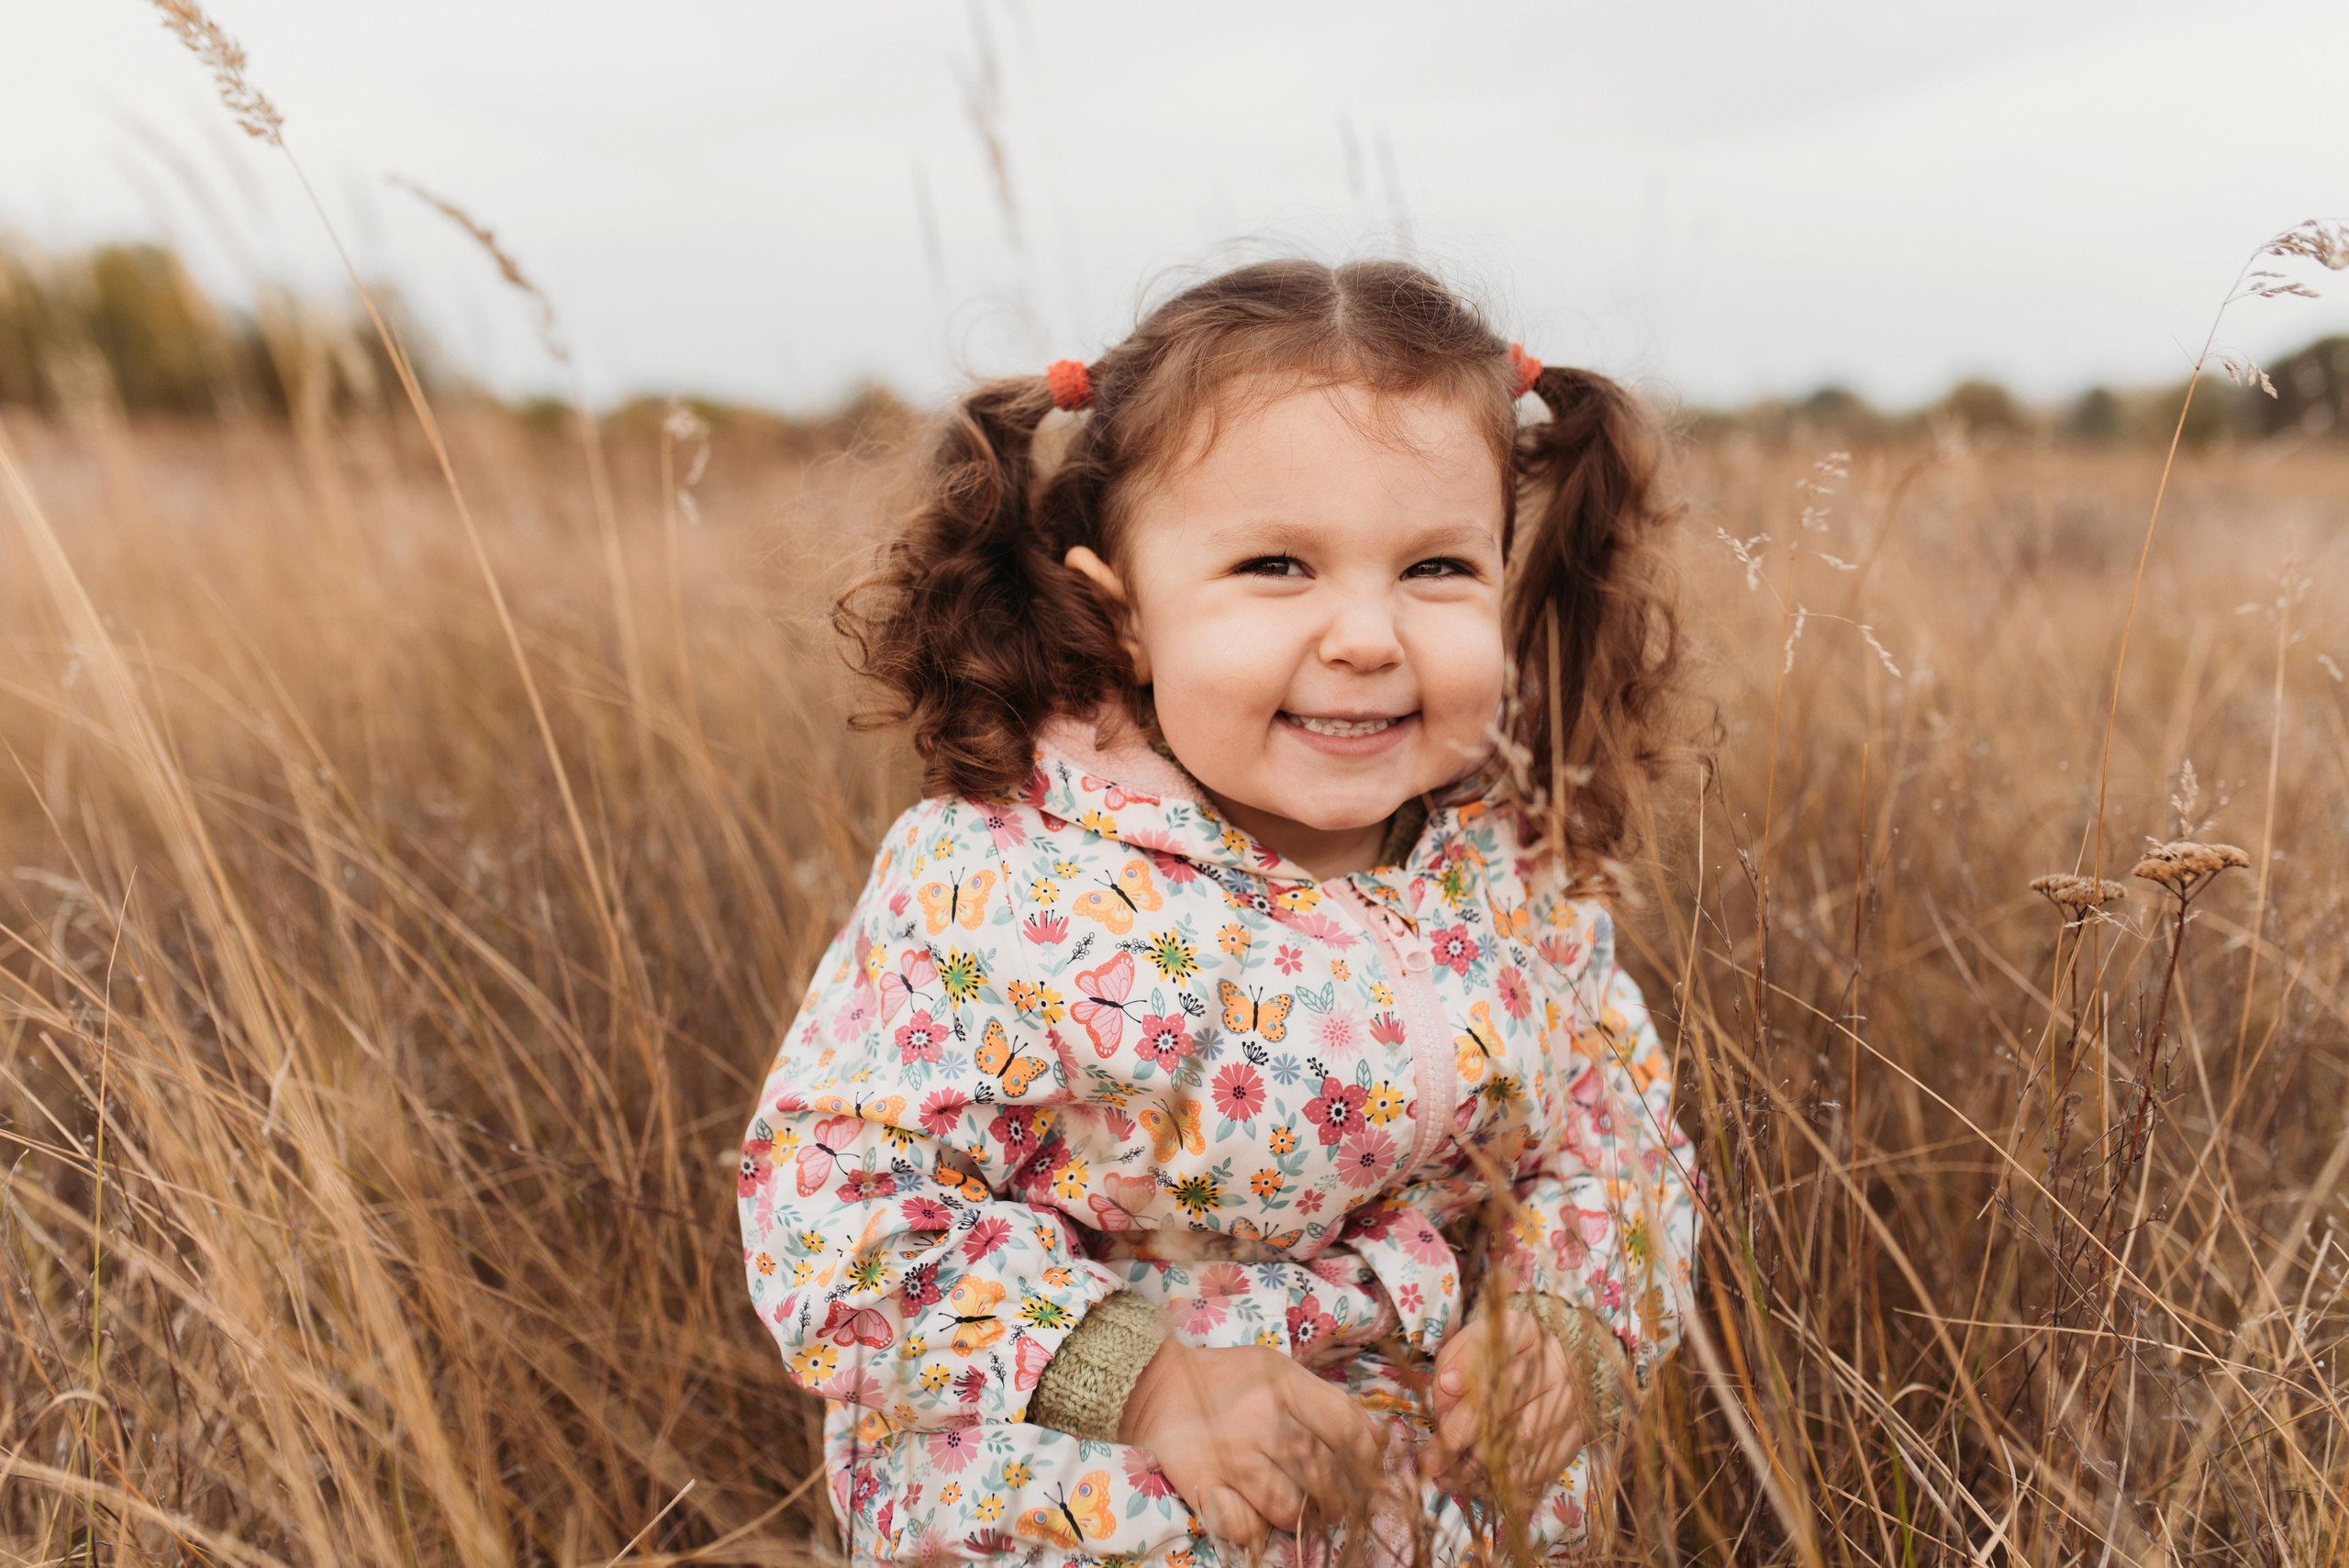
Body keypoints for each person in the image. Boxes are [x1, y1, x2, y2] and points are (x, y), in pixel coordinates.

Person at [738, 258, 1700, 1566]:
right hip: (1101, 1499)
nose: (1366, 633)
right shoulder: (1011, 881)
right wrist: (1149, 1384)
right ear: (1123, 612)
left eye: (1433, 566)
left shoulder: (1505, 862)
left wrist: (1570, 1318)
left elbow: (1616, 1138)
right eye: (1276, 565)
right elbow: (829, 1200)